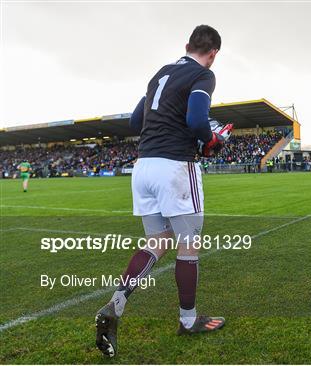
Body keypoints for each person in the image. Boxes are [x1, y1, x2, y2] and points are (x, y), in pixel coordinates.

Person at [95, 25, 226, 358]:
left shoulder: (160, 74)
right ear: (213, 54)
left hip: (144, 167)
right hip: (175, 167)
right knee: (188, 247)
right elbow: (198, 119)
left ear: (186, 46)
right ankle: (188, 320)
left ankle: (116, 304)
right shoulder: (203, 75)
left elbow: (135, 120)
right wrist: (210, 139)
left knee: (157, 243)